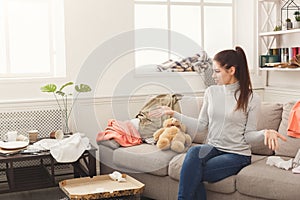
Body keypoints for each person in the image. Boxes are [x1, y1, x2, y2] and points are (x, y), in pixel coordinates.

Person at [149, 46, 287, 200]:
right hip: (213, 148)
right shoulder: (211, 92)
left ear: (231, 70)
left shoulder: (251, 98)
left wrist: (264, 133)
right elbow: (202, 125)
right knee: (194, 153)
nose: (213, 75)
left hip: (237, 154)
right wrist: (174, 114)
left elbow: (248, 136)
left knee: (193, 173)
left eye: (217, 71)